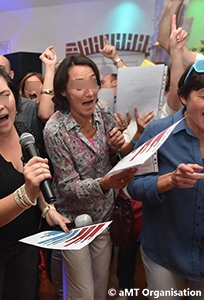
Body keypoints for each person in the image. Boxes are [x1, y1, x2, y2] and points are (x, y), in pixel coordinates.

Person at [0, 65, 69, 300]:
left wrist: (47, 209)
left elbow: (36, 175)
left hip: (26, 245)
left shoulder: (24, 131)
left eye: (4, 95)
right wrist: (27, 193)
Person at [43, 54, 138, 300]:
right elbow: (67, 186)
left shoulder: (103, 111)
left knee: (100, 286)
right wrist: (104, 183)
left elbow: (113, 155)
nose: (88, 92)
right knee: (82, 292)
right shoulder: (55, 130)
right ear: (64, 91)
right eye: (78, 86)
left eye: (93, 83)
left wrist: (117, 145)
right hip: (73, 220)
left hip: (104, 215)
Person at [127, 58, 204, 299]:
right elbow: (133, 185)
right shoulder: (158, 132)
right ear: (184, 97)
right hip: (164, 248)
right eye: (203, 95)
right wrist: (170, 180)